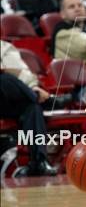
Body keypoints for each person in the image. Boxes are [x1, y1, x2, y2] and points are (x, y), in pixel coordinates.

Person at [0, 40, 58, 177]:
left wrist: (33, 87)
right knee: (5, 78)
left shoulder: (4, 47)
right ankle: (45, 100)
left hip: (9, 98)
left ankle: (39, 162)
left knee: (32, 108)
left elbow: (24, 74)